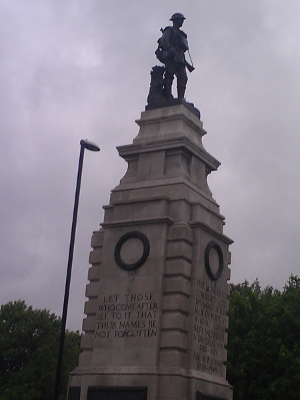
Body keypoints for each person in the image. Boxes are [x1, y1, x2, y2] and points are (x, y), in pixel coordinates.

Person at [156, 13, 192, 100]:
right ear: (175, 21)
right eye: (181, 20)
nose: (182, 22)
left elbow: (185, 47)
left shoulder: (182, 34)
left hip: (180, 56)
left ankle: (181, 98)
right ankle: (168, 95)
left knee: (183, 77)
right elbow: (164, 40)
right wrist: (170, 48)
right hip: (171, 55)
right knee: (169, 75)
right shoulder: (169, 30)